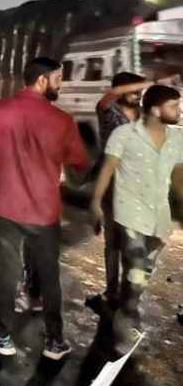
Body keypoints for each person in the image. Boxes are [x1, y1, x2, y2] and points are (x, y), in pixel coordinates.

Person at [0, 57, 89, 360]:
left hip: (7, 207)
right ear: (43, 80)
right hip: (44, 212)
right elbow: (80, 163)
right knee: (49, 276)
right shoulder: (62, 120)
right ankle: (54, 342)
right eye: (58, 78)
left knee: (8, 272)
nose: (60, 84)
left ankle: (1, 335)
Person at [91, 85, 183, 354]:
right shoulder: (124, 134)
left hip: (159, 218)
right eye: (174, 106)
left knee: (142, 275)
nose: (179, 111)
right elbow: (108, 169)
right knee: (136, 271)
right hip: (130, 214)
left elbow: (178, 176)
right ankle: (124, 326)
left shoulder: (178, 138)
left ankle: (126, 306)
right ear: (155, 109)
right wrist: (96, 202)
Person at [86, 72, 152, 311]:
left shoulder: (144, 116)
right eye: (134, 90)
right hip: (113, 185)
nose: (138, 94)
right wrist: (148, 82)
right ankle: (111, 292)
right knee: (113, 242)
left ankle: (128, 293)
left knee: (133, 243)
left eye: (140, 91)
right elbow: (111, 94)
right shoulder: (109, 113)